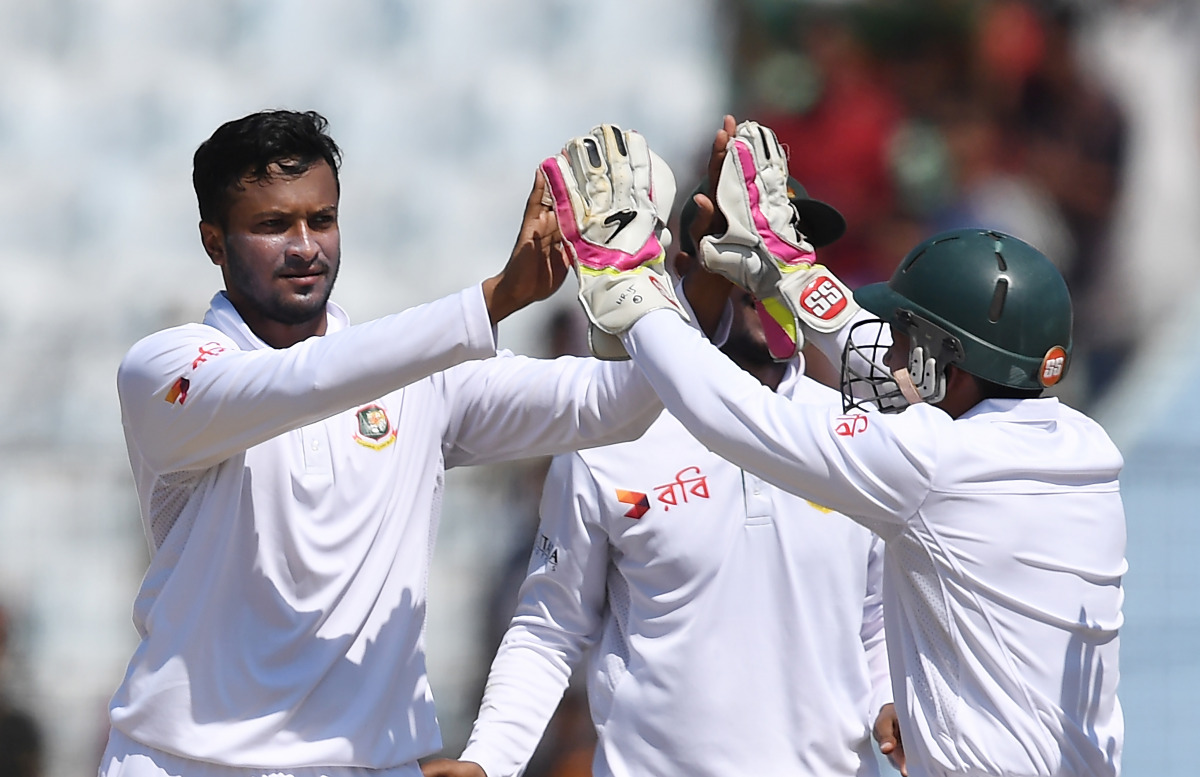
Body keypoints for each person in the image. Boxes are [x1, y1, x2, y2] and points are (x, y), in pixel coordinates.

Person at [98, 109, 678, 777]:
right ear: (214, 242)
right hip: (186, 763)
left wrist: (657, 286)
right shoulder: (165, 370)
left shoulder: (418, 379)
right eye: (272, 225)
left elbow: (624, 403)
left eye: (321, 219)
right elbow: (295, 383)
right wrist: (491, 300)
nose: (305, 247)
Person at [549, 118, 1126, 777]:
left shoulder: (930, 462)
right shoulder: (1083, 447)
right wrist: (788, 268)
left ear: (948, 363)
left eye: (904, 337)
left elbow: (729, 413)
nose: (891, 351)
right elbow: (913, 377)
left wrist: (633, 288)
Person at [420, 175, 893, 777]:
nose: (767, 274)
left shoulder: (859, 433)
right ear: (689, 271)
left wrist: (891, 703)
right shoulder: (613, 432)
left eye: (785, 249)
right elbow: (550, 625)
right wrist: (489, 760)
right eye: (744, 251)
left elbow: (878, 622)